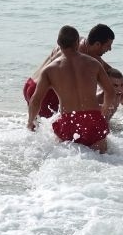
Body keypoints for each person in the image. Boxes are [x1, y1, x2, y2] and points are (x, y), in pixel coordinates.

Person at [27, 25, 115, 153]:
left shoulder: (49, 70)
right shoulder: (94, 63)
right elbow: (110, 91)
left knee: (67, 157)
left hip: (69, 121)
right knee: (103, 161)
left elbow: (35, 100)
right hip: (93, 119)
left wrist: (31, 121)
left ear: (58, 43)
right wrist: (104, 110)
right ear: (77, 42)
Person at [24, 24, 116, 117]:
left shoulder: (77, 42)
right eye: (108, 46)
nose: (110, 49)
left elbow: (108, 70)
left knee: (37, 128)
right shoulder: (79, 55)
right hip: (45, 94)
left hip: (31, 84)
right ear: (97, 44)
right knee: (49, 129)